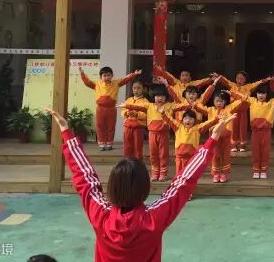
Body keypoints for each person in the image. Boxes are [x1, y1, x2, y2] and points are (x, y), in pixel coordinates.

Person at [46, 106, 234, 262]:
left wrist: (67, 133)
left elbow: (85, 177)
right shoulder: (154, 218)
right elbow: (183, 182)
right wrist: (211, 141)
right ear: (145, 188)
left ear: (112, 186)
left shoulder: (101, 216)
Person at [118, 80, 188, 181]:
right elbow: (137, 107)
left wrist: (168, 86)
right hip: (152, 134)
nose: (159, 98)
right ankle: (155, 173)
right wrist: (127, 106)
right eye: (157, 96)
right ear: (153, 97)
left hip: (163, 134)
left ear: (166, 97)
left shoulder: (169, 106)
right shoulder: (149, 106)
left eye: (162, 96)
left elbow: (180, 103)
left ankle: (163, 173)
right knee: (153, 154)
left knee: (163, 154)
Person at [228, 85, 274, 179]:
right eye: (259, 93)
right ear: (256, 94)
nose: (261, 95)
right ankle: (256, 170)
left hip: (266, 131)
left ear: (267, 94)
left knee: (265, 151)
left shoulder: (272, 102)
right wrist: (231, 93)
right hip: (255, 132)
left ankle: (264, 170)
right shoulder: (252, 101)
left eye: (263, 93)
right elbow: (242, 96)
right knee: (255, 151)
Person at [79, 66, 141, 151]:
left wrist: (134, 74)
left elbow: (125, 79)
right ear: (101, 77)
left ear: (112, 76)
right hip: (100, 109)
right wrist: (82, 74)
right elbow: (87, 82)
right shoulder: (97, 84)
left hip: (111, 108)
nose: (106, 77)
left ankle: (109, 143)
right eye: (104, 76)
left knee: (111, 126)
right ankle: (101, 143)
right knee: (100, 126)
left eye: (108, 75)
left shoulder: (116, 83)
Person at [194, 90, 246, 183]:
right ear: (213, 101)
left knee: (225, 155)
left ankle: (224, 174)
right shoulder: (210, 110)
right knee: (215, 155)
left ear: (225, 101)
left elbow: (243, 99)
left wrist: (231, 93)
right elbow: (197, 105)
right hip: (214, 137)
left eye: (221, 101)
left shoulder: (230, 108)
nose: (219, 103)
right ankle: (216, 173)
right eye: (217, 101)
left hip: (226, 137)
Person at [215, 71, 274, 152]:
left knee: (242, 128)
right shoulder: (232, 85)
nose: (239, 80)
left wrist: (266, 80)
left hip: (243, 110)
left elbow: (258, 83)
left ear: (245, 80)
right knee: (234, 127)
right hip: (233, 111)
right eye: (238, 78)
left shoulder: (249, 87)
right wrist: (218, 76)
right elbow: (224, 81)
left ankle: (242, 144)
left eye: (242, 78)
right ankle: (234, 144)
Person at [159, 107, 219, 174]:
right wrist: (163, 113)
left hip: (192, 157)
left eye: (191, 119)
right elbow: (170, 120)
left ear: (195, 120)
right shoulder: (178, 127)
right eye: (186, 118)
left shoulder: (198, 128)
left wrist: (217, 118)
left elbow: (208, 123)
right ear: (182, 120)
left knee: (190, 174)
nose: (188, 120)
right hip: (179, 157)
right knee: (179, 174)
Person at [121, 78, 148, 161]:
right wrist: (126, 113)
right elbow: (123, 110)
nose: (136, 90)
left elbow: (146, 114)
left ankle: (137, 164)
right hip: (127, 126)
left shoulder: (145, 102)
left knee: (137, 146)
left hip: (138, 127)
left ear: (143, 89)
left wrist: (137, 114)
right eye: (134, 88)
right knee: (127, 146)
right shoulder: (129, 100)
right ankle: (127, 163)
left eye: (139, 88)